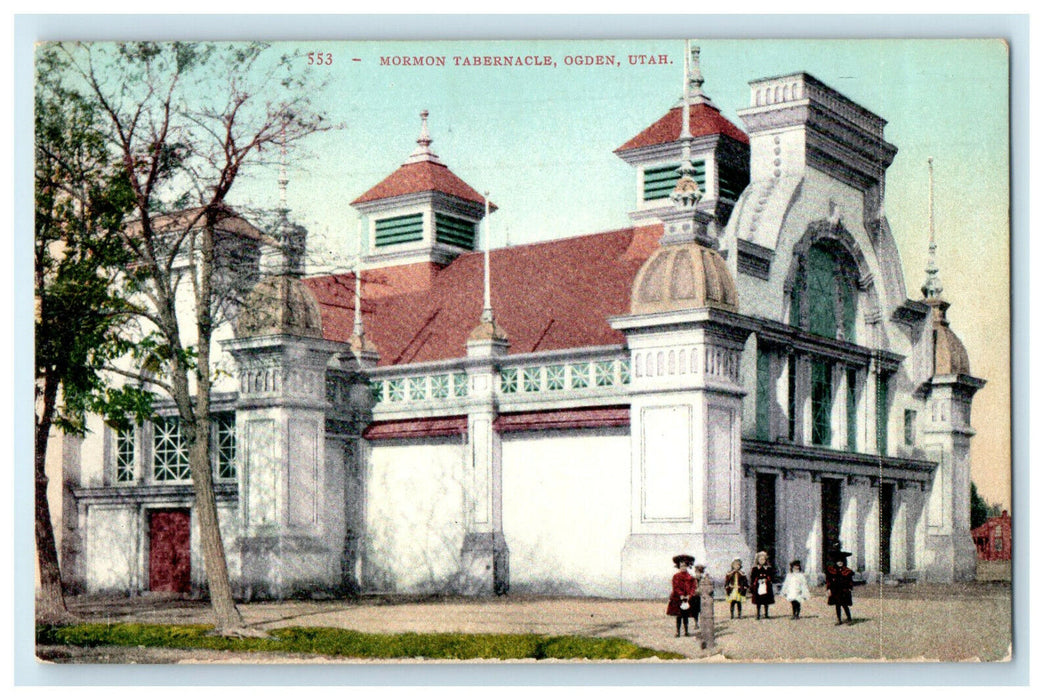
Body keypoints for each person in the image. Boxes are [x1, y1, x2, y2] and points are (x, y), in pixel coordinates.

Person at [666, 554, 697, 637]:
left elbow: (693, 588)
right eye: (681, 566)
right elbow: (675, 587)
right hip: (678, 599)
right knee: (679, 616)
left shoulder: (691, 578)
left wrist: (689, 596)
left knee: (686, 616)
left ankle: (686, 631)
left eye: (685, 566)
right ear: (678, 566)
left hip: (687, 599)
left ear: (687, 566)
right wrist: (681, 595)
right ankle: (678, 632)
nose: (683, 568)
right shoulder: (676, 577)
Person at [825, 547, 855, 625]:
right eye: (838, 562)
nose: (840, 563)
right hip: (835, 590)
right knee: (837, 605)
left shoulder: (847, 571)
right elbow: (829, 581)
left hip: (844, 590)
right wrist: (828, 589)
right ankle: (839, 619)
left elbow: (850, 581)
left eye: (841, 561)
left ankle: (849, 618)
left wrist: (850, 587)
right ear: (836, 562)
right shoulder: (832, 570)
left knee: (845, 605)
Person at [749, 551, 776, 619]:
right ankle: (758, 614)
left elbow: (771, 576)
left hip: (766, 585)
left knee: (766, 600)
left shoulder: (768, 568)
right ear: (758, 560)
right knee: (758, 601)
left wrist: (769, 580)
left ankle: (766, 613)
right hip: (758, 586)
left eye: (763, 559)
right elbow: (752, 577)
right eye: (760, 559)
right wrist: (753, 584)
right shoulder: (755, 569)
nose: (762, 561)